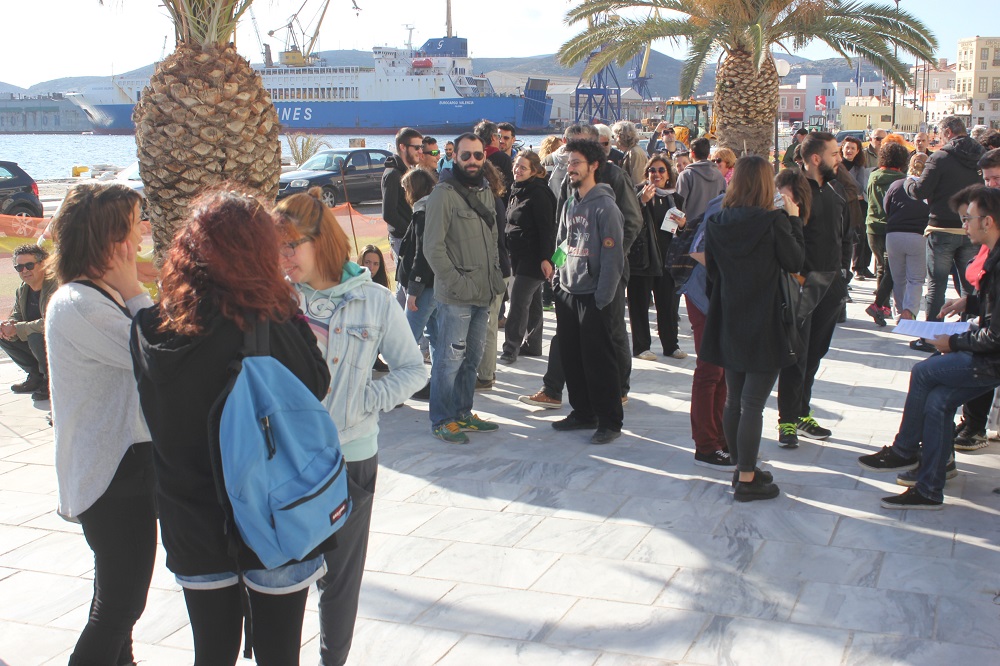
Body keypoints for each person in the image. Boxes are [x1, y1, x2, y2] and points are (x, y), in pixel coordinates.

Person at [131, 189, 330, 663]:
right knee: (280, 654)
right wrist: (285, 305)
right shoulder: (272, 321)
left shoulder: (150, 328)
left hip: (192, 518)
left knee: (211, 652)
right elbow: (317, 384)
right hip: (277, 514)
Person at [274, 188, 426, 665]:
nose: (282, 258)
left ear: (320, 241)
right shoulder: (276, 300)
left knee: (339, 581)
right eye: (276, 248)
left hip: (351, 459)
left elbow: (413, 370)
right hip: (286, 460)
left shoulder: (374, 300)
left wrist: (365, 401)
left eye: (290, 245)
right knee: (283, 577)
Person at [45, 183, 157, 665]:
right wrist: (135, 289)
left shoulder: (94, 296)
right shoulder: (80, 304)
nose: (142, 234)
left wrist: (129, 288)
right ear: (109, 240)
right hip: (111, 477)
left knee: (118, 609)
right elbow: (160, 354)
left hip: (122, 470)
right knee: (120, 607)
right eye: (133, 226)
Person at [858, 185, 1000, 509]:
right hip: (988, 353)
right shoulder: (993, 255)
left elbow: (995, 337)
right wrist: (970, 303)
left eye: (968, 219)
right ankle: (929, 489)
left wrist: (953, 342)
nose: (964, 225)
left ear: (988, 221)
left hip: (991, 359)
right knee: (937, 402)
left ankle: (904, 450)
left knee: (924, 372)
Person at [703, 155, 805, 501]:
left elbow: (712, 273)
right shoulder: (773, 221)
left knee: (735, 400)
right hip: (765, 319)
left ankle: (741, 468)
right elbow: (795, 261)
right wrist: (794, 220)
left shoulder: (717, 221)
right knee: (752, 404)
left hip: (730, 315)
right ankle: (746, 476)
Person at [423, 132, 506, 443]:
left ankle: (462, 412)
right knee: (449, 360)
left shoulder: (486, 192)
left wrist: (494, 277)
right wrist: (458, 283)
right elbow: (433, 249)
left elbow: (494, 240)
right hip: (456, 295)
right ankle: (442, 419)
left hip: (483, 292)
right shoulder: (442, 194)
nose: (473, 160)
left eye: (478, 155)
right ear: (454, 157)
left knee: (472, 358)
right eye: (466, 155)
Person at [775, 131, 852, 447]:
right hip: (802, 284)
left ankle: (801, 412)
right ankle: (787, 421)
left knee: (816, 352)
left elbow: (842, 235)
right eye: (835, 153)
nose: (839, 159)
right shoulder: (793, 190)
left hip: (830, 283)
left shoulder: (834, 189)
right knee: (797, 355)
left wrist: (843, 275)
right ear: (816, 158)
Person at [546, 138, 625, 445]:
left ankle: (609, 421)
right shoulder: (570, 203)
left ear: (594, 166)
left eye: (577, 162)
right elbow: (563, 243)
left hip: (594, 295)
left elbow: (613, 258)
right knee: (572, 357)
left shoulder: (606, 207)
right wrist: (557, 276)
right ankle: (582, 412)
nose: (571, 168)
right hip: (567, 290)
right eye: (569, 162)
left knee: (599, 361)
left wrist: (602, 298)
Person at [905, 116, 986, 354]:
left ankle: (931, 337)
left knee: (936, 285)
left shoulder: (940, 157)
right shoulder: (981, 156)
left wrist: (909, 183)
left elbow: (921, 191)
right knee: (969, 286)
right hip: (970, 228)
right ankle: (967, 336)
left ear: (948, 132)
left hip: (941, 228)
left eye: (940, 134)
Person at [500, 150, 556, 364]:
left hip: (534, 258)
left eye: (523, 167)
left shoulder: (539, 193)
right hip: (518, 255)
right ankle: (533, 344)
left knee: (518, 302)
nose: (518, 170)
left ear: (534, 171)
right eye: (516, 166)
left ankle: (510, 348)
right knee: (532, 302)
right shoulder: (517, 190)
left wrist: (546, 259)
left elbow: (546, 229)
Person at [629, 154, 687, 360]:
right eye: (652, 170)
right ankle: (641, 347)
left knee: (668, 305)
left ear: (668, 174)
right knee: (639, 304)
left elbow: (680, 232)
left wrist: (682, 225)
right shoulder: (637, 193)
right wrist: (642, 202)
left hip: (666, 260)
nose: (657, 174)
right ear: (647, 173)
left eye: (661, 170)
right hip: (642, 259)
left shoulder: (675, 198)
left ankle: (671, 345)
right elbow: (627, 218)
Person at [399, 167, 440, 395]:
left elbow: (422, 255)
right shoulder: (432, 209)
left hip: (424, 287)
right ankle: (438, 384)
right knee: (435, 337)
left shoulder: (423, 213)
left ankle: (399, 387)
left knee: (406, 340)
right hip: (434, 286)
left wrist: (413, 290)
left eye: (405, 189)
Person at [1, 244, 57, 401]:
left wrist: (18, 328)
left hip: (60, 343)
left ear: (43, 264)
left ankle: (51, 381)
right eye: (19, 267)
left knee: (35, 336)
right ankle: (36, 376)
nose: (24, 270)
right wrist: (8, 326)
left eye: (29, 265)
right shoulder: (23, 289)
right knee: (2, 334)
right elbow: (17, 314)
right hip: (37, 340)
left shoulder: (56, 286)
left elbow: (52, 322)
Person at [863, 141, 910, 326]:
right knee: (891, 269)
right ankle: (879, 304)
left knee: (882, 267)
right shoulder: (902, 180)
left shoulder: (873, 176)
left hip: (872, 226)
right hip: (892, 227)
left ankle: (883, 306)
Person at [884, 153, 930, 322]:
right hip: (918, 235)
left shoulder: (896, 184)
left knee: (898, 278)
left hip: (894, 234)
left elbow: (886, 207)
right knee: (915, 279)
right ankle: (909, 312)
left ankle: (898, 312)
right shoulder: (929, 188)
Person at [382, 127, 423, 305]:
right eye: (416, 147)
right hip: (401, 238)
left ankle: (395, 317)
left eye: (421, 147)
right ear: (402, 147)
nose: (420, 151)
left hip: (407, 237)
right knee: (408, 286)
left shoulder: (407, 171)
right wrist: (410, 232)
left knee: (402, 285)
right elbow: (388, 213)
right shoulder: (393, 174)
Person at [841, 136, 874, 279]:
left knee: (859, 235)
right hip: (840, 205)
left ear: (858, 151)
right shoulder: (834, 165)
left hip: (858, 206)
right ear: (842, 148)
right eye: (847, 147)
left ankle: (859, 268)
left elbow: (860, 188)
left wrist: (844, 174)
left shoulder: (859, 167)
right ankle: (843, 271)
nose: (849, 151)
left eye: (853, 148)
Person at [677, 138, 727, 222]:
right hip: (712, 225)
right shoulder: (720, 176)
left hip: (691, 226)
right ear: (708, 154)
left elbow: (679, 206)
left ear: (692, 153)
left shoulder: (686, 175)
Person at [475, 120, 514, 194]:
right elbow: (510, 185)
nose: (500, 140)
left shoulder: (473, 157)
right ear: (493, 137)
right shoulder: (503, 158)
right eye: (499, 136)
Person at [612, 120, 649, 185]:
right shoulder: (630, 151)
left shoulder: (634, 153)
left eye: (613, 136)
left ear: (619, 137)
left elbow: (637, 182)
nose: (613, 139)